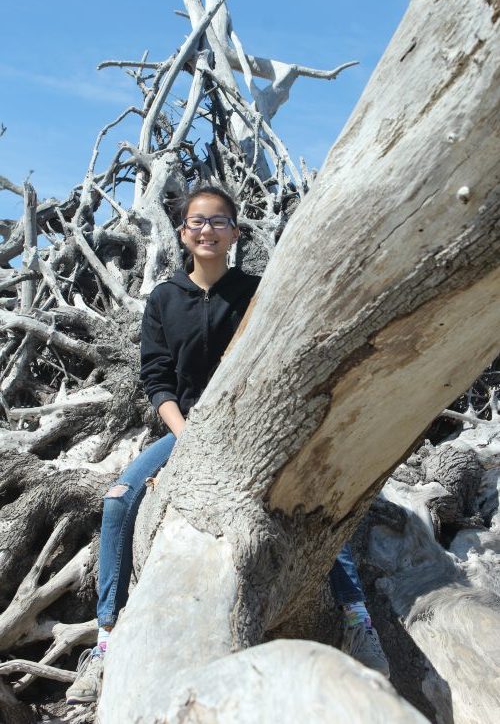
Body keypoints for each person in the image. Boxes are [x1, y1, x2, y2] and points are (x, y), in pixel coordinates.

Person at [66, 185, 388, 705]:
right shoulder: (164, 299)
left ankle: (357, 620)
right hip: (187, 428)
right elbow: (157, 381)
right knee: (119, 500)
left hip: (259, 427)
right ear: (182, 233)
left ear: (236, 232)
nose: (208, 230)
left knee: (312, 497)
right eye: (197, 222)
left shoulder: (258, 291)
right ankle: (107, 637)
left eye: (219, 221)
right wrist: (188, 438)